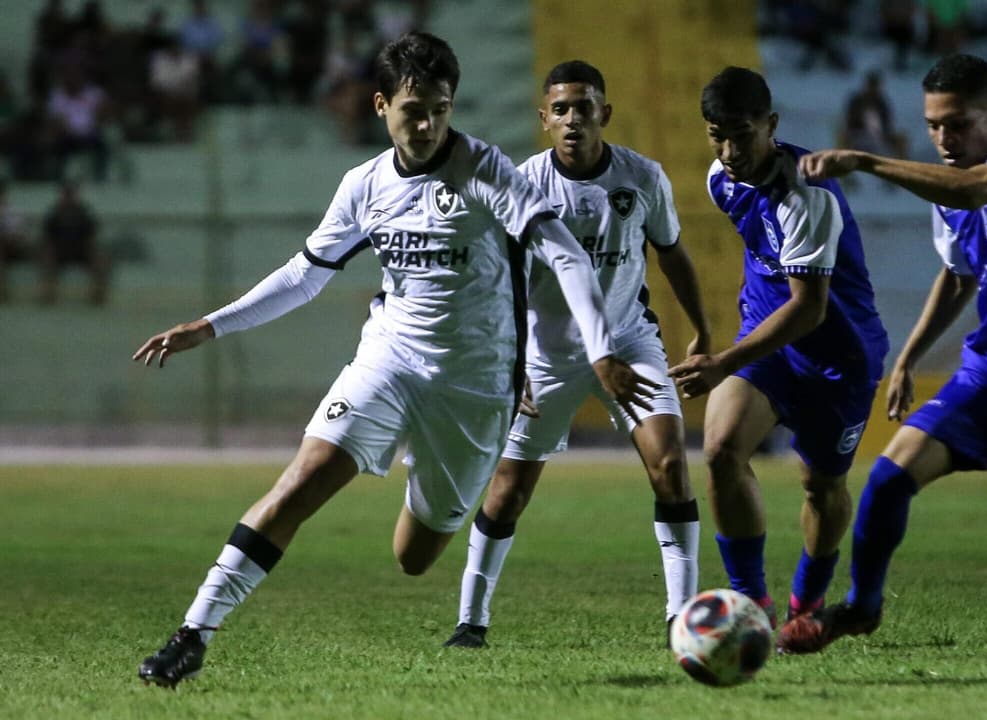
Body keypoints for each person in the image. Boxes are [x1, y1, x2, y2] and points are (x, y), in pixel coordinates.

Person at [133, 32, 657, 688]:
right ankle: (193, 634)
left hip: (475, 388)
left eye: (441, 108)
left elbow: (567, 255)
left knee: (414, 556)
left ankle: (420, 474)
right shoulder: (366, 184)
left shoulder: (486, 171)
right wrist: (210, 326)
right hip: (389, 363)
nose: (430, 123)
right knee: (301, 480)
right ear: (381, 106)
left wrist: (602, 347)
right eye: (415, 109)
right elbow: (305, 274)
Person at [776, 53, 987, 682]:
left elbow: (976, 187)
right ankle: (864, 605)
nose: (944, 138)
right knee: (887, 476)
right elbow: (960, 273)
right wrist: (910, 356)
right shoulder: (949, 191)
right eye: (934, 125)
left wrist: (866, 160)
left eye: (958, 124)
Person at [443, 61, 711, 649]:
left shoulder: (643, 178)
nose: (572, 120)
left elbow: (671, 254)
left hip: (629, 342)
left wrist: (702, 330)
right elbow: (499, 280)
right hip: (545, 353)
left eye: (583, 107)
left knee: (670, 465)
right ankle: (470, 620)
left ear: (604, 114)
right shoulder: (523, 184)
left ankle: (684, 616)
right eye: (560, 110)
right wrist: (510, 361)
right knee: (509, 489)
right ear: (544, 120)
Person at [669, 67, 889, 627]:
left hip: (839, 356)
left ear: (771, 124)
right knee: (719, 450)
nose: (728, 149)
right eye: (716, 134)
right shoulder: (719, 178)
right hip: (768, 343)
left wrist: (721, 363)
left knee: (822, 485)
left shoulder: (805, 194)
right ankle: (752, 607)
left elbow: (810, 307)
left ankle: (806, 600)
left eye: (741, 133)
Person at [39, 178, 109, 305]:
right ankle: (48, 292)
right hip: (59, 251)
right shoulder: (54, 214)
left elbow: (91, 235)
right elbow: (47, 237)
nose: (69, 197)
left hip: (80, 251)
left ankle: (97, 293)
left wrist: (90, 248)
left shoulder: (83, 213)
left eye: (71, 194)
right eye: (66, 194)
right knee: (48, 255)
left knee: (99, 257)